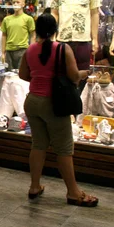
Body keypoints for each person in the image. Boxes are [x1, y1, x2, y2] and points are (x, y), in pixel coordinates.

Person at [19, 14, 97, 207]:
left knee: (38, 144)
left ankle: (34, 186)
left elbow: (23, 74)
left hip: (32, 101)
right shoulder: (62, 48)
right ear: (55, 30)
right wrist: (85, 73)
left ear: (36, 30)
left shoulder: (30, 49)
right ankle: (73, 192)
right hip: (54, 103)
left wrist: (39, 79)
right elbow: (72, 76)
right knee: (63, 148)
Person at [51, 0, 101, 69]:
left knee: (83, 73)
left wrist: (95, 39)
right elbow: (54, 13)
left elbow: (94, 14)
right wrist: (52, 36)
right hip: (63, 39)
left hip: (83, 39)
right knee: (62, 72)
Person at [1, 0, 35, 70]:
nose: (15, 4)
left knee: (21, 74)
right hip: (9, 50)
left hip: (22, 50)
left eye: (18, 2)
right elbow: (4, 36)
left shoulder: (28, 19)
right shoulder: (6, 19)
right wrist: (3, 52)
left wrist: (31, 51)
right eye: (14, 2)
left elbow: (33, 35)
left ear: (23, 4)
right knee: (8, 74)